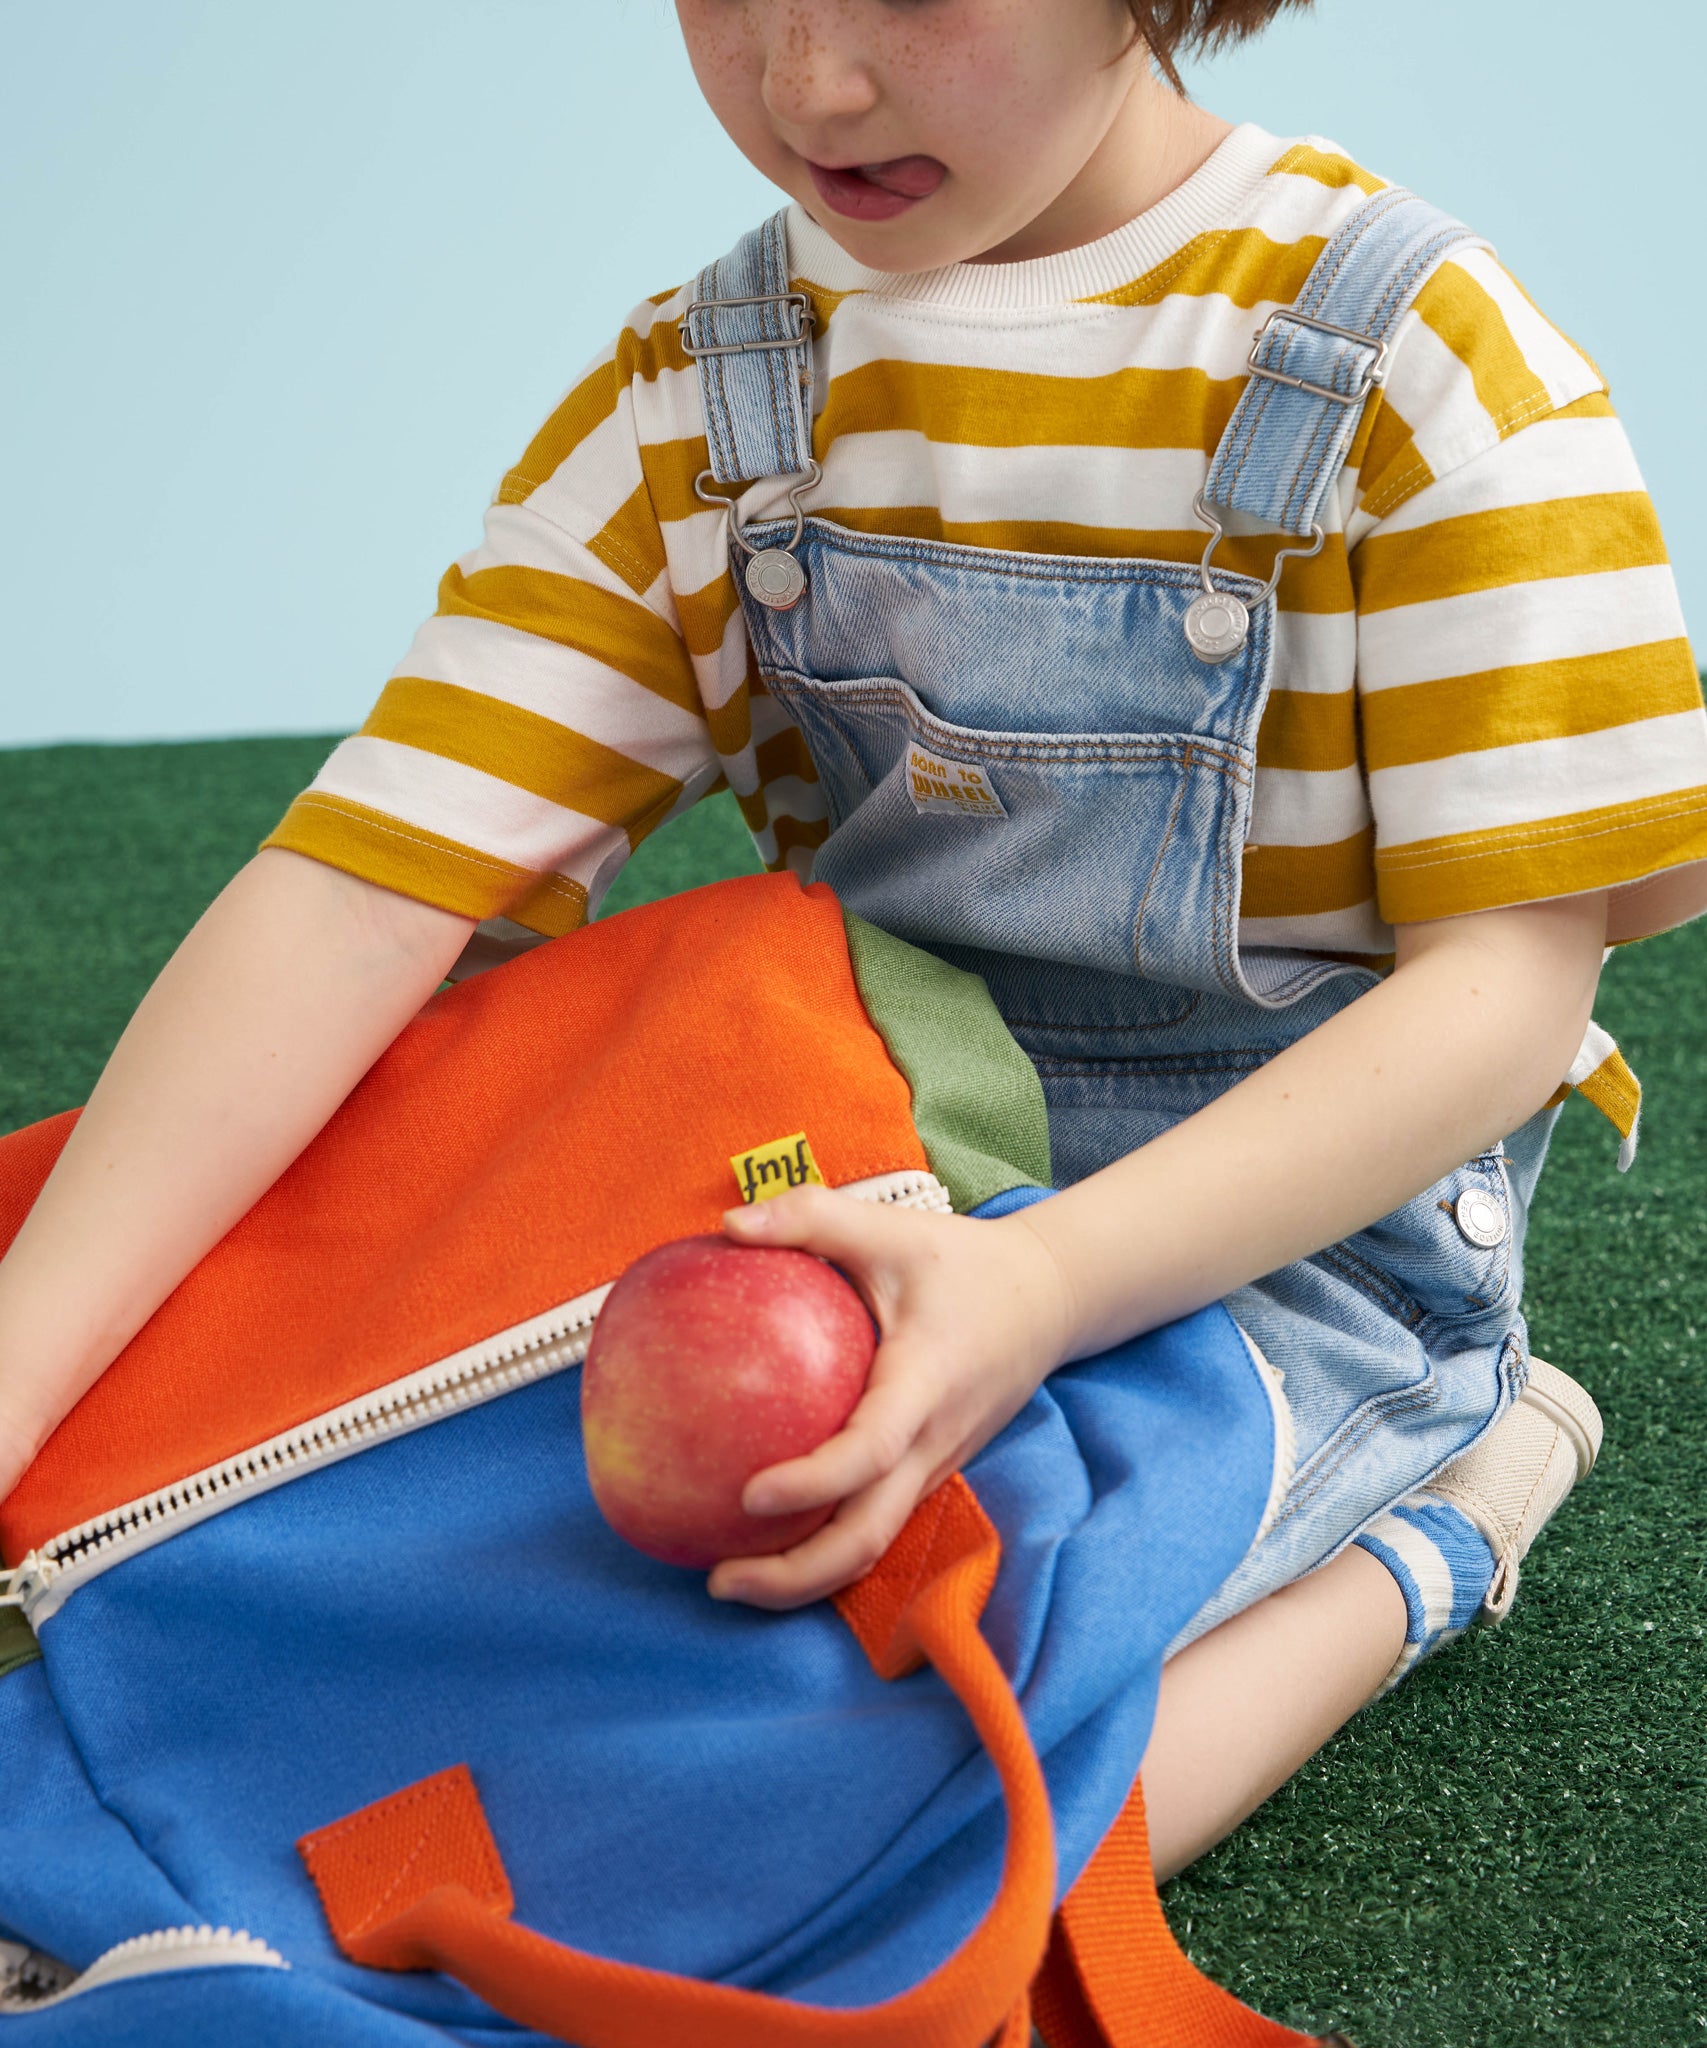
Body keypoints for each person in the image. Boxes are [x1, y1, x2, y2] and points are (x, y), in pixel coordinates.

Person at [2, 0, 1702, 1883]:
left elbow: (1508, 1001)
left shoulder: (1422, 368)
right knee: (408, 1600)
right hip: (862, 1181)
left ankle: (1448, 1520)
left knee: (894, 1835)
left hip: (1296, 1264)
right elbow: (365, 888)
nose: (809, 83)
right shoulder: (706, 398)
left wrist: (1044, 1290)